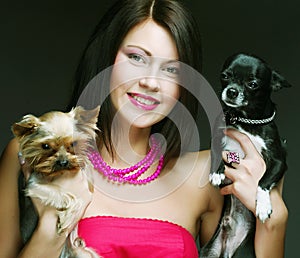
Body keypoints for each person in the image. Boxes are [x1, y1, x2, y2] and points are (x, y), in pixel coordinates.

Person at [0, 0, 288, 257]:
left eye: (171, 69)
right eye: (136, 58)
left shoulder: (207, 174)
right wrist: (54, 225)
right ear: (107, 59)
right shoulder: (35, 152)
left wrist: (273, 221)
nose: (151, 82)